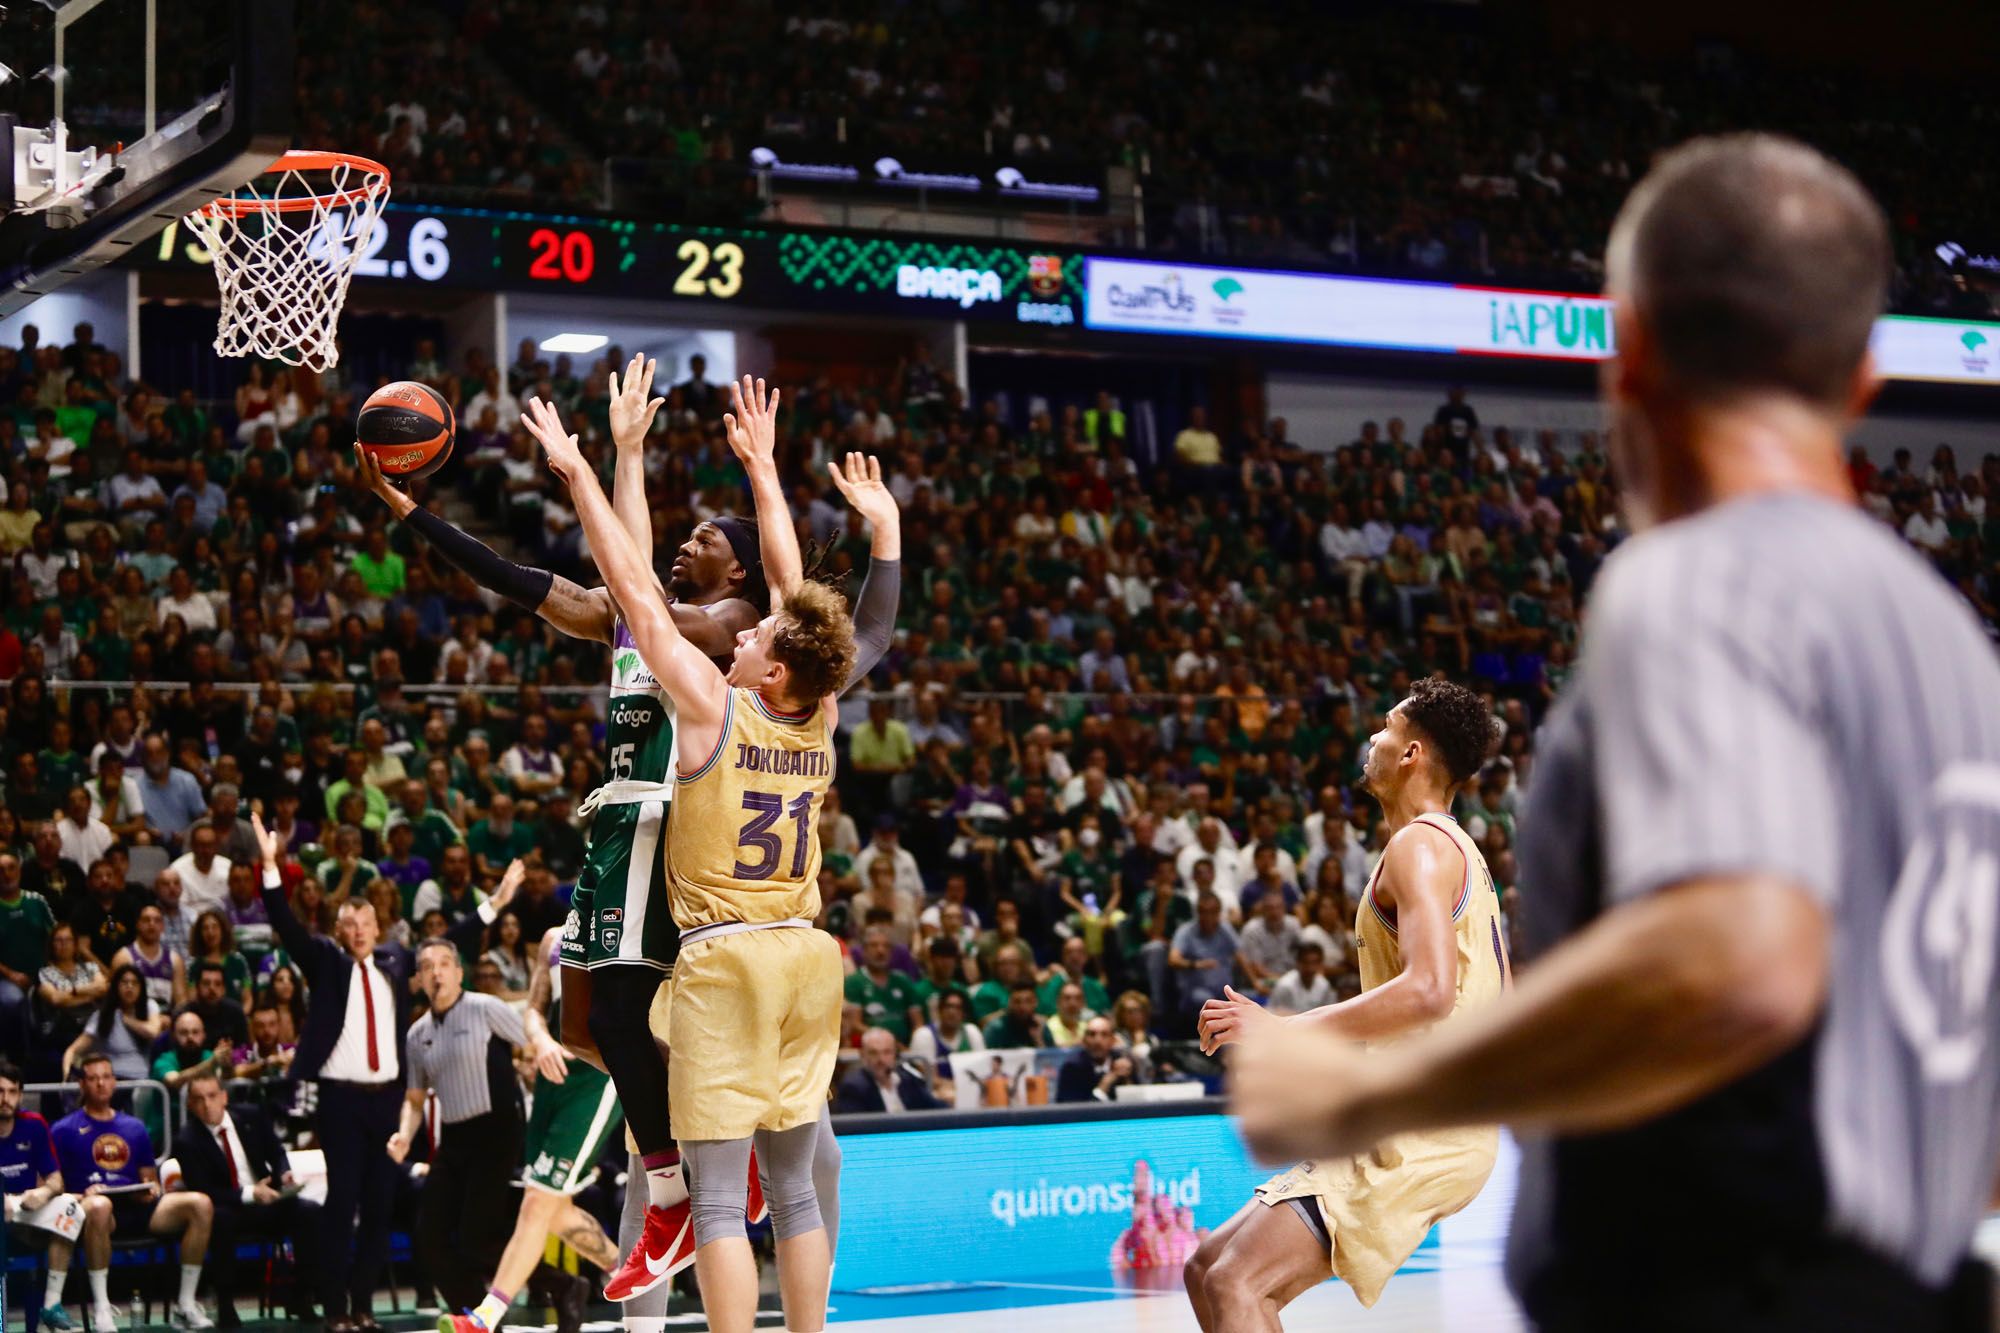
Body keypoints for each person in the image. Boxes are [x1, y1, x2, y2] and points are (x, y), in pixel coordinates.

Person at [1228, 135, 2000, 1333]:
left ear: (1627, 350)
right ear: (1857, 381)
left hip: (1728, 1282)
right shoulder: (1951, 650)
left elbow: (1734, 960)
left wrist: (1355, 1086)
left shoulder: (1701, 577)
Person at [357, 358, 762, 1291]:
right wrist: (410, 513)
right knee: (585, 1019)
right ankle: (703, 1161)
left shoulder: (731, 618)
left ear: (734, 565)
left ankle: (681, 1186)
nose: (680, 546)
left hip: (664, 828)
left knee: (617, 1009)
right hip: (613, 831)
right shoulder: (630, 619)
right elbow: (511, 576)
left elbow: (646, 596)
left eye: (700, 537)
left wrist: (618, 459)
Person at [522, 378, 861, 1333]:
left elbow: (633, 593)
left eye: (754, 638)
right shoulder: (821, 719)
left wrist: (585, 469)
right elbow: (800, 598)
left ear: (772, 665)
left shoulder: (711, 712)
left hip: (725, 957)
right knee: (795, 1188)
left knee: (713, 1198)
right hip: (806, 954)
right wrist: (762, 473)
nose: (744, 633)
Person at [1185, 679, 1507, 1325]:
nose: (1372, 738)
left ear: (1411, 753)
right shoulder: (1457, 849)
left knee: (1238, 1284)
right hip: (1418, 1111)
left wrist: (1281, 1031)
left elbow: (1430, 990)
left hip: (1426, 1124)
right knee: (1207, 1267)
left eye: (1385, 727)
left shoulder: (1419, 843)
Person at [252, 814, 410, 1333]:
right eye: (351, 925)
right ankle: (334, 1309)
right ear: (341, 931)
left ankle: (363, 1307)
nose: (360, 932)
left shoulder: (394, 964)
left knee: (380, 1206)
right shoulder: (325, 960)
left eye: (367, 924)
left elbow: (451, 939)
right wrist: (271, 867)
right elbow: (288, 928)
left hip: (387, 1101)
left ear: (377, 929)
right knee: (341, 1205)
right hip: (340, 1101)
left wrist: (493, 904)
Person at [439, 919, 624, 1333]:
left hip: (597, 1077)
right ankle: (626, 1270)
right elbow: (535, 1011)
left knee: (537, 1201)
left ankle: (485, 1317)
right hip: (551, 1076)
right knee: (553, 1208)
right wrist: (539, 1041)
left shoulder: (627, 922)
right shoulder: (553, 937)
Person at [387, 931, 528, 1319]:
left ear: (459, 973)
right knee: (429, 1237)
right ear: (418, 978)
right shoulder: (417, 1035)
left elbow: (533, 1041)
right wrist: (403, 1134)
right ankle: (473, 1316)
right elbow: (415, 1101)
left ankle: (559, 1284)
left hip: (497, 1132)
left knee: (475, 1238)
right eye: (427, 967)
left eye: (444, 965)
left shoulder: (485, 1008)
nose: (436, 974)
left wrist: (535, 1070)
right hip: (454, 1139)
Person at [50, 1053, 215, 1328]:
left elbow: (150, 1180)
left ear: (114, 1081)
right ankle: (102, 1307)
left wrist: (150, 1191)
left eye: (106, 1077)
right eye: (93, 1078)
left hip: (137, 1206)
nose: (101, 1084)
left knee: (200, 1204)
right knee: (100, 1207)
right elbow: (56, 1186)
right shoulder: (63, 1129)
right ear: (82, 1085)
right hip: (93, 1213)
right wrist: (83, 1196)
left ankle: (185, 1304)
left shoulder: (134, 1127)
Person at [172, 1071, 319, 1327]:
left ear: (224, 1097)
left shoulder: (251, 1115)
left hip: (268, 1198)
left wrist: (283, 1173)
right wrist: (250, 1194)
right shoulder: (186, 1140)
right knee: (221, 1219)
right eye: (198, 1099)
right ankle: (226, 1303)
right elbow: (204, 1190)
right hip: (228, 1206)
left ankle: (301, 1294)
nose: (207, 1104)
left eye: (212, 1096)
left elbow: (276, 1151)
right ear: (189, 1105)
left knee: (309, 1211)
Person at [0, 1057, 117, 1331]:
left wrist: (44, 1193)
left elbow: (55, 1179)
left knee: (69, 1206)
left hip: (24, 1208)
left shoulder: (34, 1124)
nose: (5, 1099)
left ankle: (51, 1306)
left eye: (12, 1092)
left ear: (20, 1095)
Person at [833, 1028, 943, 1113]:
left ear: (895, 1054)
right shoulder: (854, 1087)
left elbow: (937, 1109)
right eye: (873, 1053)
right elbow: (857, 1128)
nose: (881, 1059)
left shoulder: (908, 1080)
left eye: (887, 1052)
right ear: (862, 1055)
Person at [1056, 1016, 1135, 1103]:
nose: (1097, 1041)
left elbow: (1137, 1104)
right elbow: (1072, 1112)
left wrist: (1127, 1080)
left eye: (1104, 1034)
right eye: (1092, 1034)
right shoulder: (1072, 1068)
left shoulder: (1122, 1062)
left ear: (1113, 1040)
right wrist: (1106, 1083)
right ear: (1084, 1040)